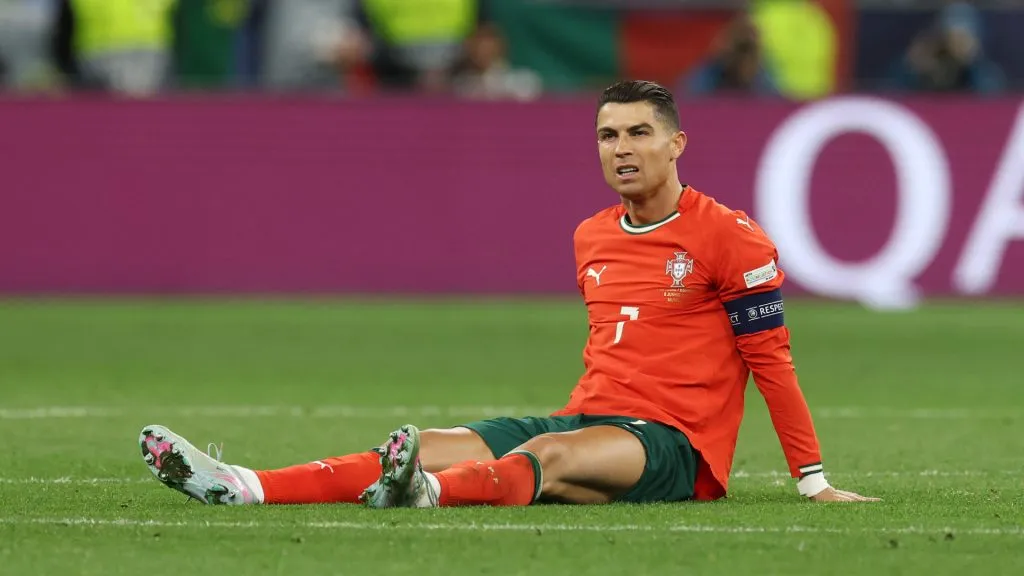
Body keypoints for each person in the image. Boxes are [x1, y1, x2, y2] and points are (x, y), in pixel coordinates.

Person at [139, 80, 878, 508]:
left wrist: (812, 482)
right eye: (606, 135)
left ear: (678, 144)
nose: (620, 149)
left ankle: (427, 494)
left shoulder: (731, 237)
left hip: (675, 447)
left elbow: (772, 362)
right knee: (423, 439)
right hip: (589, 415)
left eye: (639, 133)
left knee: (549, 452)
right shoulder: (592, 234)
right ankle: (244, 485)